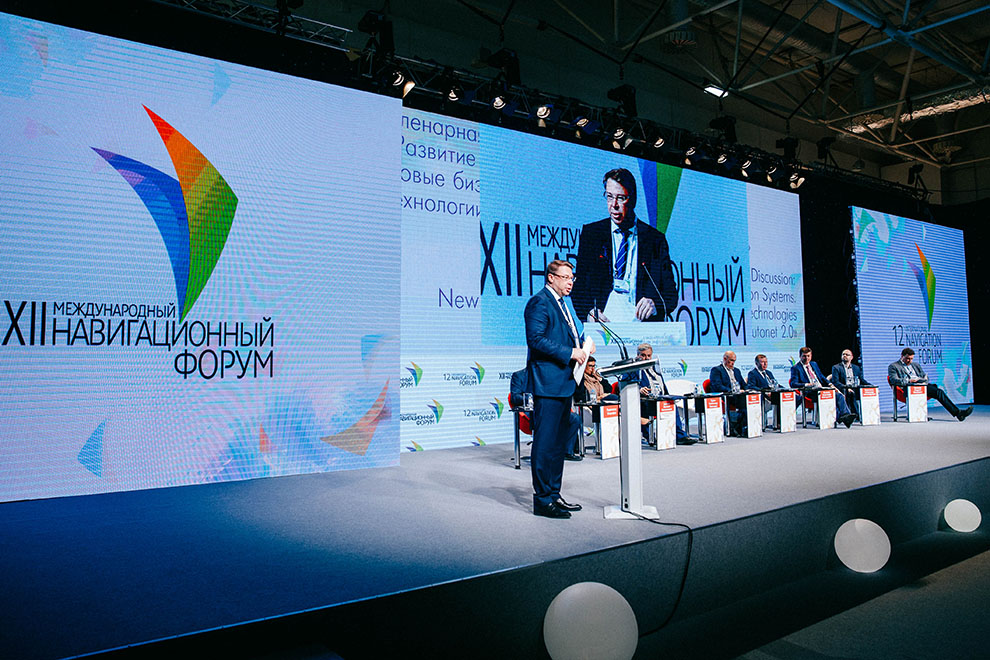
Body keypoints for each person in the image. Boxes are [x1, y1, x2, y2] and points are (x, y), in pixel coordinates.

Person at [525, 259, 591, 519]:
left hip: (565, 383)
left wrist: (583, 347)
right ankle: (542, 500)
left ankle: (554, 494)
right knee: (545, 443)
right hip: (548, 384)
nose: (570, 282)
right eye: (565, 277)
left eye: (572, 278)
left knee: (558, 444)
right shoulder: (539, 302)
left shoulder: (564, 304)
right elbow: (536, 340)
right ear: (551, 278)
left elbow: (566, 337)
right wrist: (570, 352)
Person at [572, 168, 677, 323]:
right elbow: (579, 288)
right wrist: (589, 314)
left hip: (642, 329)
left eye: (620, 198)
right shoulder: (592, 235)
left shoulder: (654, 240)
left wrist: (655, 304)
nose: (613, 205)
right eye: (609, 197)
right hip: (603, 327)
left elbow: (670, 295)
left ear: (633, 200)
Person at [888, 347, 973, 421]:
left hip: (921, 386)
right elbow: (894, 380)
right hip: (907, 388)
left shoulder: (915, 365)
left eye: (911, 359)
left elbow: (923, 376)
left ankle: (958, 413)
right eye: (907, 358)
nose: (909, 361)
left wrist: (924, 380)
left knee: (938, 392)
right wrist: (909, 380)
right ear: (902, 356)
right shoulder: (894, 366)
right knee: (920, 390)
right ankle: (958, 413)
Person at [789, 346, 856, 428]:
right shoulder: (796, 368)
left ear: (811, 356)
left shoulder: (814, 364)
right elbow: (793, 383)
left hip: (821, 389)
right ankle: (841, 417)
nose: (806, 358)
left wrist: (830, 384)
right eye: (804, 356)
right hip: (810, 392)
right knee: (830, 396)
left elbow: (821, 377)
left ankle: (845, 415)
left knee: (839, 396)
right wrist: (806, 384)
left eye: (808, 356)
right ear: (800, 356)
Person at [636, 342, 689, 444]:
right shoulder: (632, 369)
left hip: (659, 398)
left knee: (672, 405)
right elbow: (626, 385)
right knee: (647, 408)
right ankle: (651, 437)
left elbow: (662, 385)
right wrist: (639, 389)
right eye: (643, 355)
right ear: (637, 355)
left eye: (648, 356)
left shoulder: (655, 368)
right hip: (644, 401)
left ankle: (680, 436)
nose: (646, 358)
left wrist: (667, 396)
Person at [708, 350, 748, 435]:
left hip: (738, 395)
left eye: (734, 361)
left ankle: (745, 427)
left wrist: (748, 390)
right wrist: (732, 391)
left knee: (751, 399)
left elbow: (743, 384)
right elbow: (717, 386)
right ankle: (738, 428)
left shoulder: (737, 371)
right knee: (744, 402)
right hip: (726, 395)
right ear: (725, 359)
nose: (733, 363)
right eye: (731, 360)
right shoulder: (716, 370)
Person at [831, 349, 873, 414]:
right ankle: (854, 414)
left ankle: (865, 414)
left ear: (851, 357)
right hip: (843, 389)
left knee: (865, 392)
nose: (844, 356)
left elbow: (861, 380)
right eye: (843, 354)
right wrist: (846, 387)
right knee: (850, 394)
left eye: (847, 355)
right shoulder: (836, 367)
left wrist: (872, 387)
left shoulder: (856, 368)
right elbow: (835, 382)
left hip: (855, 388)